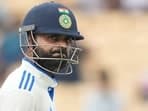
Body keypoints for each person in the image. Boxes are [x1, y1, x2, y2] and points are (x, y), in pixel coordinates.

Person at [0, 2, 84, 111]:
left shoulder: (42, 84)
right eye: (53, 38)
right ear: (30, 40)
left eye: (67, 40)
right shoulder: (24, 91)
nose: (63, 46)